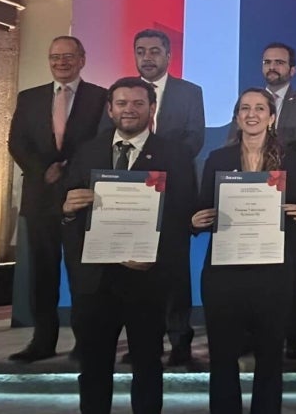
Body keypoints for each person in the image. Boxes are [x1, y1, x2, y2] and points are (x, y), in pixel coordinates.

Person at [61, 77, 195, 413]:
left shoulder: (175, 154)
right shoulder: (88, 150)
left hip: (145, 280)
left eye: (137, 103)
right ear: (109, 109)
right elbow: (64, 209)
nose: (129, 110)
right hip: (95, 281)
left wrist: (155, 257)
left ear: (152, 109)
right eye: (121, 103)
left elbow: (181, 218)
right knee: (93, 368)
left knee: (148, 367)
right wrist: (66, 210)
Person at [192, 88, 296, 414]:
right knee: (223, 357)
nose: (252, 114)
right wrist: (196, 219)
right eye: (245, 108)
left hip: (272, 273)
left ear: (272, 117)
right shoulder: (218, 159)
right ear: (237, 116)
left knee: (270, 357)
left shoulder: (290, 158)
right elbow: (202, 210)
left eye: (260, 108)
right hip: (225, 274)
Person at [105, 28, 206, 366]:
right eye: (140, 51)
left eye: (154, 51)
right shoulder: (124, 93)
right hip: (131, 195)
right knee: (136, 272)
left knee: (175, 271)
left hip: (175, 191)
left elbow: (194, 138)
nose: (147, 57)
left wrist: (160, 161)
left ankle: (180, 341)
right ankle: (142, 340)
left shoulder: (190, 92)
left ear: (168, 56)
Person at [7, 36, 107, 363]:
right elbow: (17, 143)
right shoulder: (29, 97)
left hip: (82, 198)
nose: (61, 62)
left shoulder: (101, 97)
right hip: (40, 199)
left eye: (68, 56)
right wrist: (42, 170)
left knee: (83, 276)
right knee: (43, 274)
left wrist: (69, 171)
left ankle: (86, 340)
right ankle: (42, 340)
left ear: (82, 59)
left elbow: (104, 142)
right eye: (55, 57)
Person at [227, 42, 296, 359]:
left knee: (295, 272)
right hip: (247, 201)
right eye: (267, 61)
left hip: (292, 196)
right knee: (250, 273)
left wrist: (269, 141)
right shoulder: (246, 103)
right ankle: (250, 334)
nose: (273, 67)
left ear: (292, 69)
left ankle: (294, 336)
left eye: (279, 62)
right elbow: (233, 141)